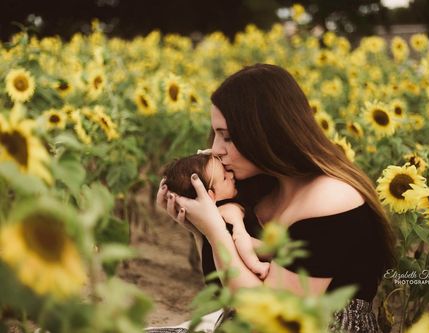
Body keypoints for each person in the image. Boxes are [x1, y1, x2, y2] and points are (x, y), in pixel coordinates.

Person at [155, 63, 396, 333]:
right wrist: (200, 228)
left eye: (229, 137)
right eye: (216, 135)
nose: (215, 149)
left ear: (267, 133)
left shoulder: (331, 199)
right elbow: (224, 289)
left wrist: (214, 231)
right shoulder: (258, 188)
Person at [162, 150, 270, 279]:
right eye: (224, 177)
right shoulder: (229, 211)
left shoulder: (209, 218)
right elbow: (241, 238)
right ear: (210, 196)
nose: (231, 175)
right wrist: (256, 264)